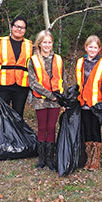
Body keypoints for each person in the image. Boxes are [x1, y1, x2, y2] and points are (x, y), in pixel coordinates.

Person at [28, 30, 64, 171]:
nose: (47, 45)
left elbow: (62, 79)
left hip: (55, 100)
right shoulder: (33, 60)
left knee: (51, 128)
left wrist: (62, 99)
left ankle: (50, 158)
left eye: (49, 42)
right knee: (42, 128)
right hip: (40, 99)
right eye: (44, 42)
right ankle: (41, 158)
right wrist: (50, 95)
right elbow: (33, 82)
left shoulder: (58, 59)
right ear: (39, 43)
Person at [75, 35, 102, 171]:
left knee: (95, 130)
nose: (92, 49)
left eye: (95, 47)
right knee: (87, 129)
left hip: (96, 104)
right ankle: (88, 158)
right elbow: (78, 83)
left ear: (99, 49)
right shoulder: (80, 62)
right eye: (90, 47)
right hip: (83, 102)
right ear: (85, 47)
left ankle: (96, 160)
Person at [0, 17, 33, 118]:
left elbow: (34, 67)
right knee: (1, 114)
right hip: (3, 86)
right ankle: (1, 134)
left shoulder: (30, 45)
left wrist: (33, 88)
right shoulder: (0, 42)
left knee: (18, 115)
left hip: (22, 87)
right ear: (12, 27)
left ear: (25, 30)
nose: (19, 29)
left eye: (22, 27)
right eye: (17, 26)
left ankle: (16, 134)